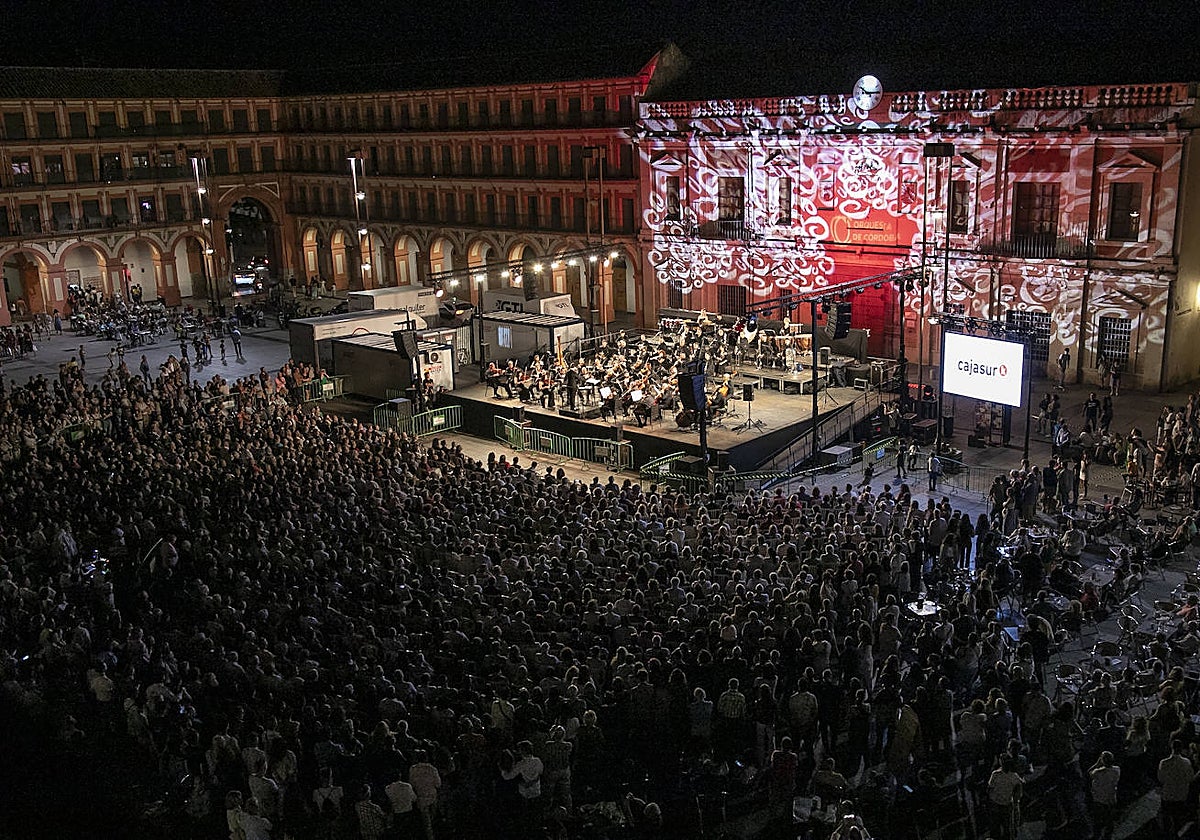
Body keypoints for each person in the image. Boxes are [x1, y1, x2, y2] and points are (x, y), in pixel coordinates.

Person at [1089, 751, 1120, 840]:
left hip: (1099, 799)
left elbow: (1089, 773)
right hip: (1111, 798)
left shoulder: (1098, 772)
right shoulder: (1117, 769)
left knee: (1098, 819)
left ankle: (1096, 835)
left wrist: (1097, 764)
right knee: (1110, 819)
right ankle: (1107, 836)